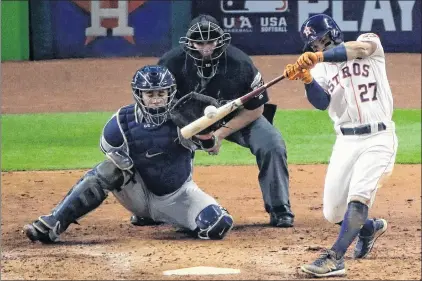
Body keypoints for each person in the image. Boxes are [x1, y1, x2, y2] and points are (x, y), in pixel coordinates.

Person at [23, 65, 234, 243]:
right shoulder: (120, 124)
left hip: (178, 196)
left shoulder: (184, 118)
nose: (156, 100)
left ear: (170, 93)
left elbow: (211, 148)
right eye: (150, 94)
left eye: (161, 94)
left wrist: (206, 133)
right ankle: (55, 222)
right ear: (139, 94)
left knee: (217, 225)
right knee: (112, 166)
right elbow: (103, 173)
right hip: (137, 196)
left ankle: (170, 218)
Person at [131, 14, 294, 228]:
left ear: (221, 40)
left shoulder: (240, 63)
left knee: (272, 143)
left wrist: (219, 134)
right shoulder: (172, 63)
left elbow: (256, 109)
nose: (206, 48)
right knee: (153, 143)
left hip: (236, 118)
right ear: (190, 43)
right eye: (200, 42)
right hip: (188, 121)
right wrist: (188, 132)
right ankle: (149, 210)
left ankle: (279, 208)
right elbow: (159, 105)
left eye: (210, 41)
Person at [283, 14, 398, 277]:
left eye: (323, 40)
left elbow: (357, 49)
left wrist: (320, 58)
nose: (320, 46)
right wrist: (307, 78)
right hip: (345, 141)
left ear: (334, 33)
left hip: (378, 137)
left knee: (359, 195)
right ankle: (368, 228)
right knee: (332, 211)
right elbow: (322, 103)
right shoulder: (320, 69)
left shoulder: (369, 45)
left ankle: (334, 258)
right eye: (315, 44)